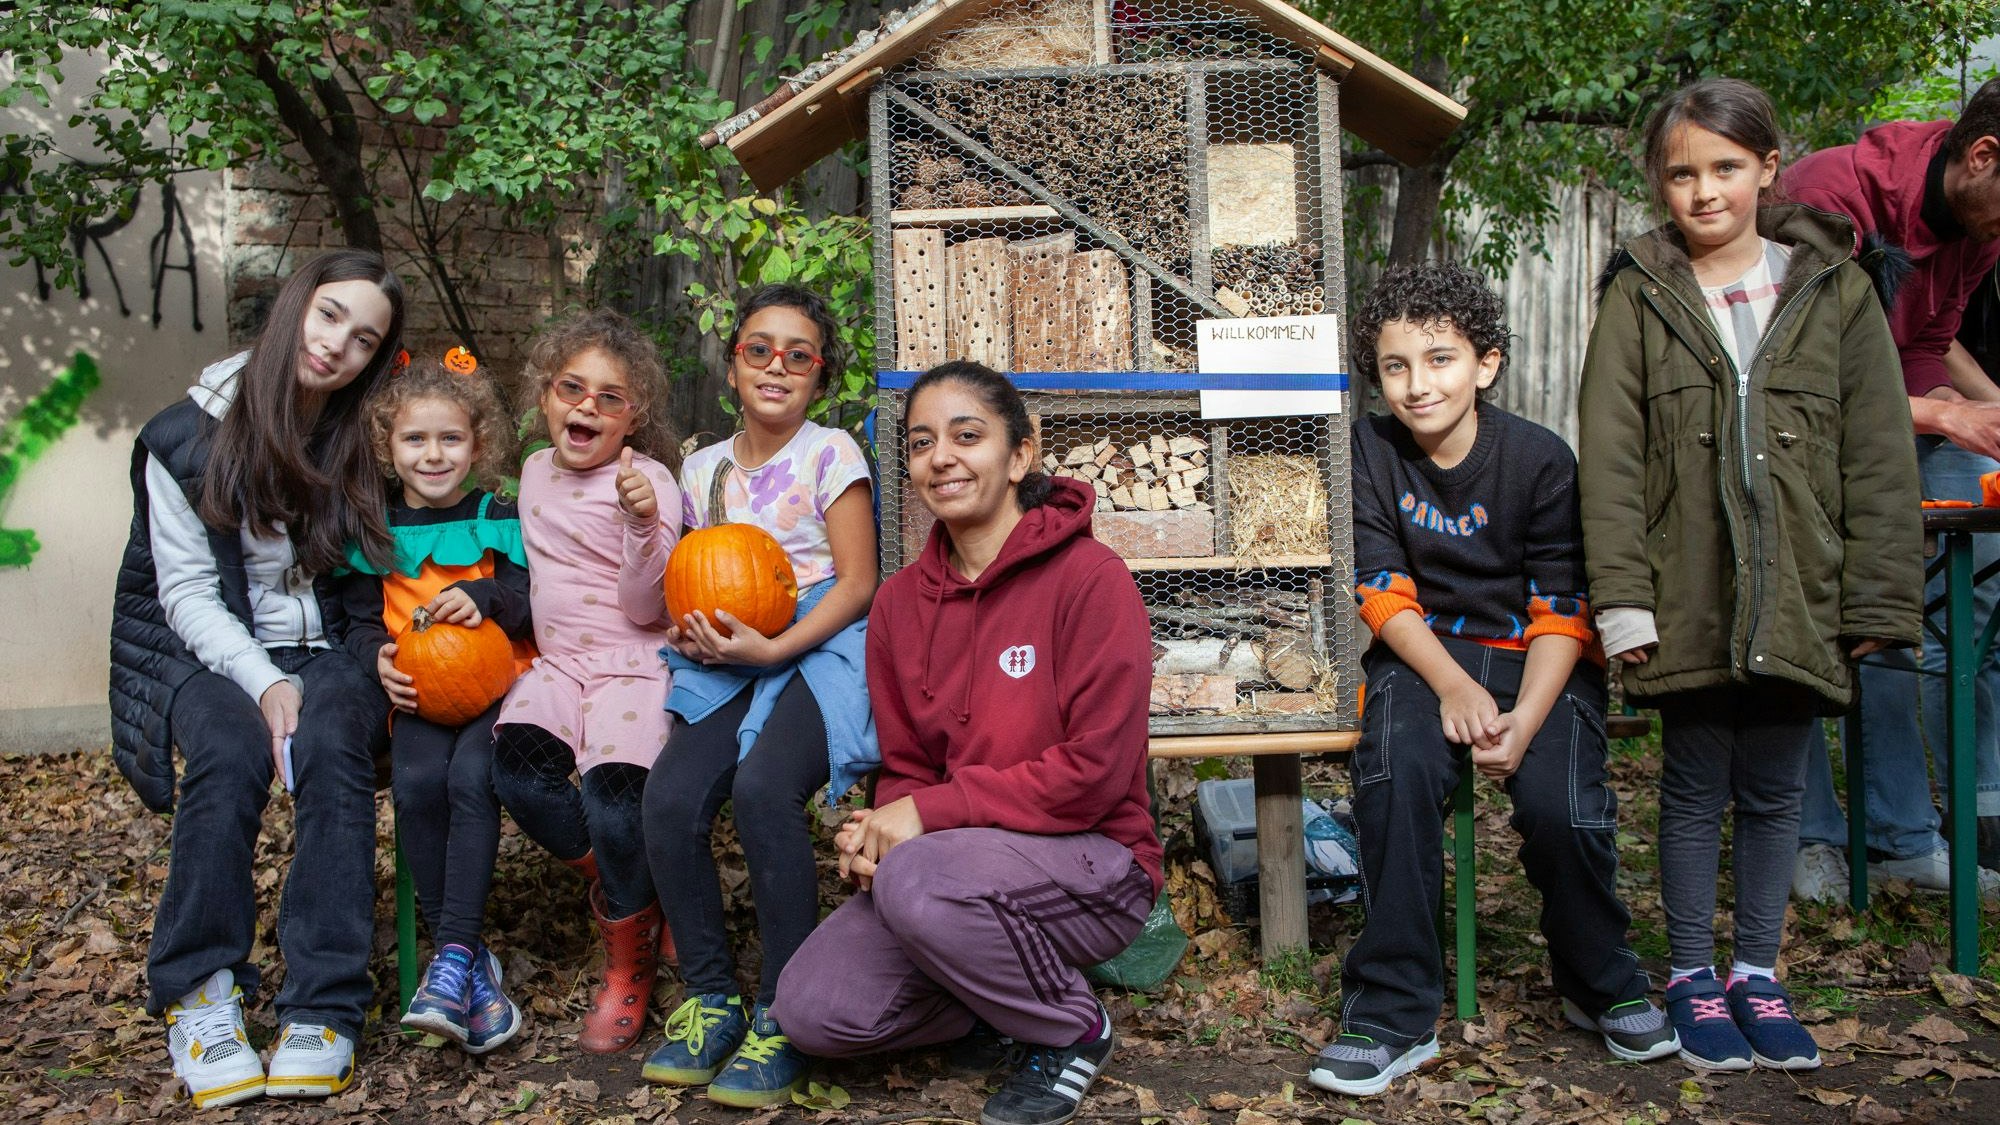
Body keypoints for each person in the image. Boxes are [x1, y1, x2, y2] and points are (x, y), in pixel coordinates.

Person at [1579, 78, 1922, 1070]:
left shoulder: (1835, 291)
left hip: (1800, 586)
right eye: (1680, 173)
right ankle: (1691, 976)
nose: (1704, 191)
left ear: (1769, 167)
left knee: (1775, 790)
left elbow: (1877, 455)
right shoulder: (1638, 294)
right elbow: (1609, 459)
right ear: (1659, 182)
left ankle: (1757, 976)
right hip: (1684, 587)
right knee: (1693, 787)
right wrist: (1623, 599)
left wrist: (1876, 596)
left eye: (1726, 167)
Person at [1312, 262, 1673, 1098]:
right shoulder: (1367, 450)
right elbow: (1380, 590)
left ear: (1486, 363)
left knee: (1561, 803)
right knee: (1396, 777)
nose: (1417, 384)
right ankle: (1393, 1010)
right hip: (1422, 654)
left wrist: (1525, 719)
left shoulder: (1540, 459)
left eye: (1440, 359)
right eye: (1396, 365)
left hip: (1536, 659)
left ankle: (1599, 977)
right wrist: (1451, 686)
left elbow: (1561, 610)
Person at [772, 360, 1159, 1125]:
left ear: (1020, 455)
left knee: (919, 878)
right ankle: (996, 998)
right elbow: (908, 767)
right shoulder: (897, 605)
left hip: (1097, 862)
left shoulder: (1092, 579)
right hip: (950, 870)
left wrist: (923, 820)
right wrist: (880, 834)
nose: (940, 457)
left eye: (967, 435)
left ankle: (1072, 1027)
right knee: (812, 1009)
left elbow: (1096, 772)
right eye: (921, 443)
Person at [109, 249, 405, 1107]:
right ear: (295, 305)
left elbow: (365, 573)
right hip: (204, 647)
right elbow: (187, 595)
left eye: (364, 339)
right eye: (330, 315)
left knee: (334, 741)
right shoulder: (181, 435)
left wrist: (371, 656)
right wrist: (264, 680)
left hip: (327, 647)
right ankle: (200, 991)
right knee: (231, 750)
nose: (338, 345)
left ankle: (323, 1004)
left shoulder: (352, 438)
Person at [639, 284, 878, 1107]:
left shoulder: (831, 453)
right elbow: (691, 573)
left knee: (763, 788)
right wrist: (691, 631)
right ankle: (713, 997)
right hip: (730, 653)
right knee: (670, 797)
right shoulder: (700, 469)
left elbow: (859, 582)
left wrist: (776, 645)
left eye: (798, 355)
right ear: (734, 365)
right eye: (760, 350)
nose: (777, 366)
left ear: (820, 374)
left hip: (817, 646)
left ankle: (785, 1010)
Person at [1784, 77, 2000, 898]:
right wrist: (1942, 414)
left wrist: (1972, 413)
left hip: (1880, 420)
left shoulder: (1977, 226)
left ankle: (1905, 836)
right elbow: (1800, 372)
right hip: (1787, 436)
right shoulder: (1831, 193)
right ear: (1983, 156)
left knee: (1904, 612)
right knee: (1810, 622)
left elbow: (1925, 346)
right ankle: (1809, 835)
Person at [489, 309, 682, 1054]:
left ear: (635, 415)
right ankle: (644, 890)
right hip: (560, 665)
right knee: (518, 774)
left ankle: (627, 965)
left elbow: (647, 605)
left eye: (611, 397)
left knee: (612, 806)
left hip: (633, 666)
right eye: (572, 388)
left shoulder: (648, 481)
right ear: (545, 394)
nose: (587, 407)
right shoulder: (535, 472)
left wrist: (640, 523)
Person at [333, 356, 532, 1054]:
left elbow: (529, 604)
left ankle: (452, 952)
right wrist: (376, 660)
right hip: (417, 691)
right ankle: (466, 960)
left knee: (471, 779)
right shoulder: (377, 529)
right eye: (415, 439)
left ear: (478, 443)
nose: (433, 454)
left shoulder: (495, 515)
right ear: (388, 447)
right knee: (417, 784)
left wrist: (485, 595)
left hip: (494, 685)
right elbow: (358, 624)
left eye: (451, 438)